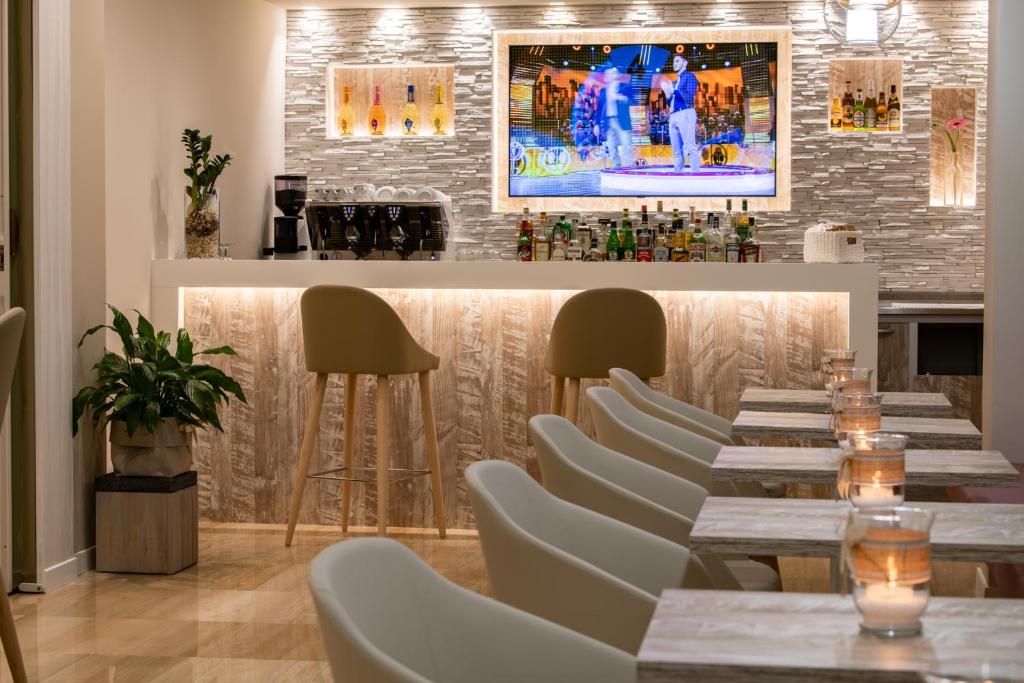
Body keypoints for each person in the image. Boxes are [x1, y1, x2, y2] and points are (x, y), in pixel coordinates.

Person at [661, 54, 701, 173]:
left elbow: (689, 96)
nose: (674, 64)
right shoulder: (674, 82)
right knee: (676, 151)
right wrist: (667, 94)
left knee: (690, 147)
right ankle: (677, 176)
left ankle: (696, 177)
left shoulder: (690, 76)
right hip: (673, 115)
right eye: (674, 62)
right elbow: (671, 102)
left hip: (686, 113)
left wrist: (673, 91)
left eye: (677, 61)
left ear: (685, 63)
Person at [595, 66, 634, 169]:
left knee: (626, 145)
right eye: (606, 74)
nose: (607, 76)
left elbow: (633, 101)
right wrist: (596, 124)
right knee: (611, 146)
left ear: (616, 75)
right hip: (608, 121)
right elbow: (598, 109)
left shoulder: (625, 87)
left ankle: (628, 168)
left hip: (622, 121)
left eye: (610, 73)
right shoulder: (603, 91)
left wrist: (621, 98)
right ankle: (616, 167)